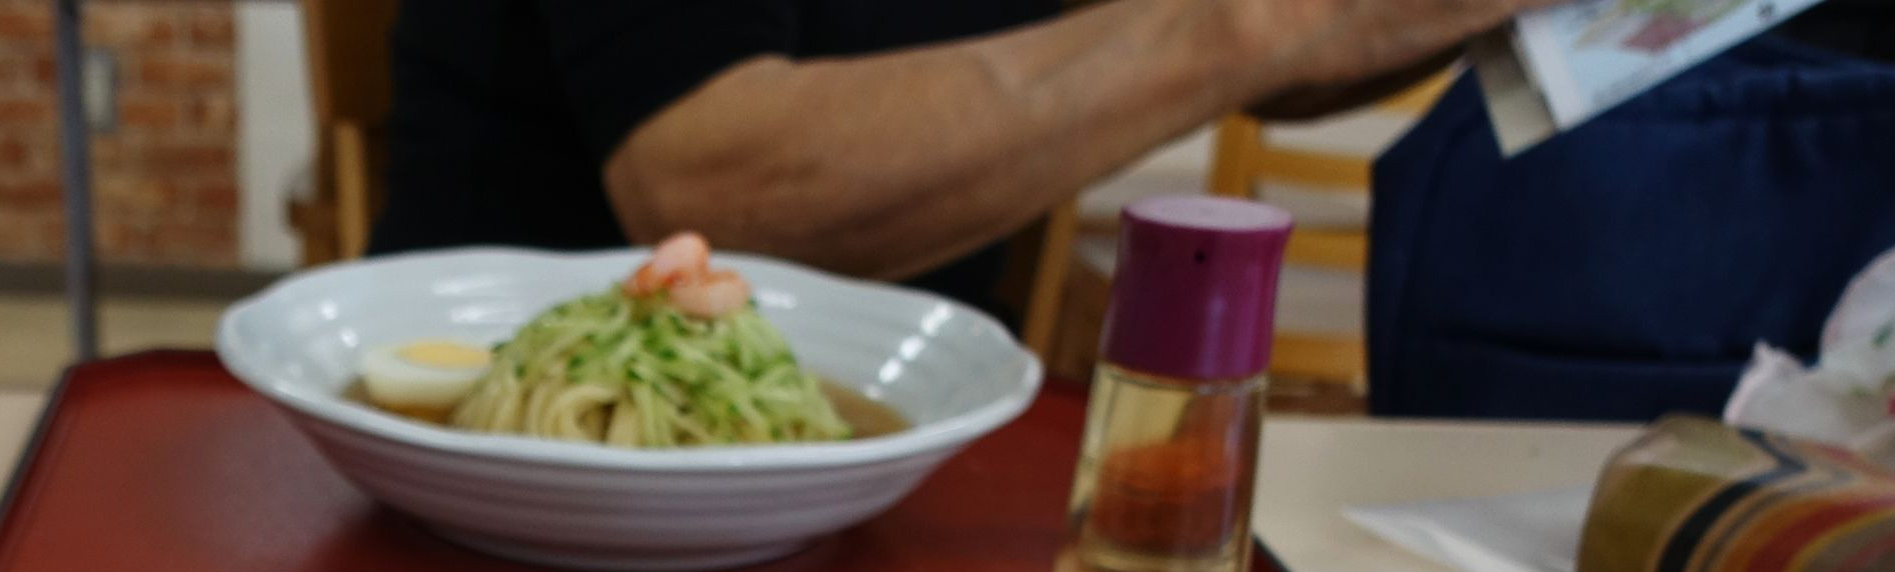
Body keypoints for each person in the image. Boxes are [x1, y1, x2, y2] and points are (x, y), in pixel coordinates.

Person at [374, 0, 1535, 310]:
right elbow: (712, 182)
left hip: (877, 472)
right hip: (482, 486)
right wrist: (1257, 22)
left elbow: (1250, 50)